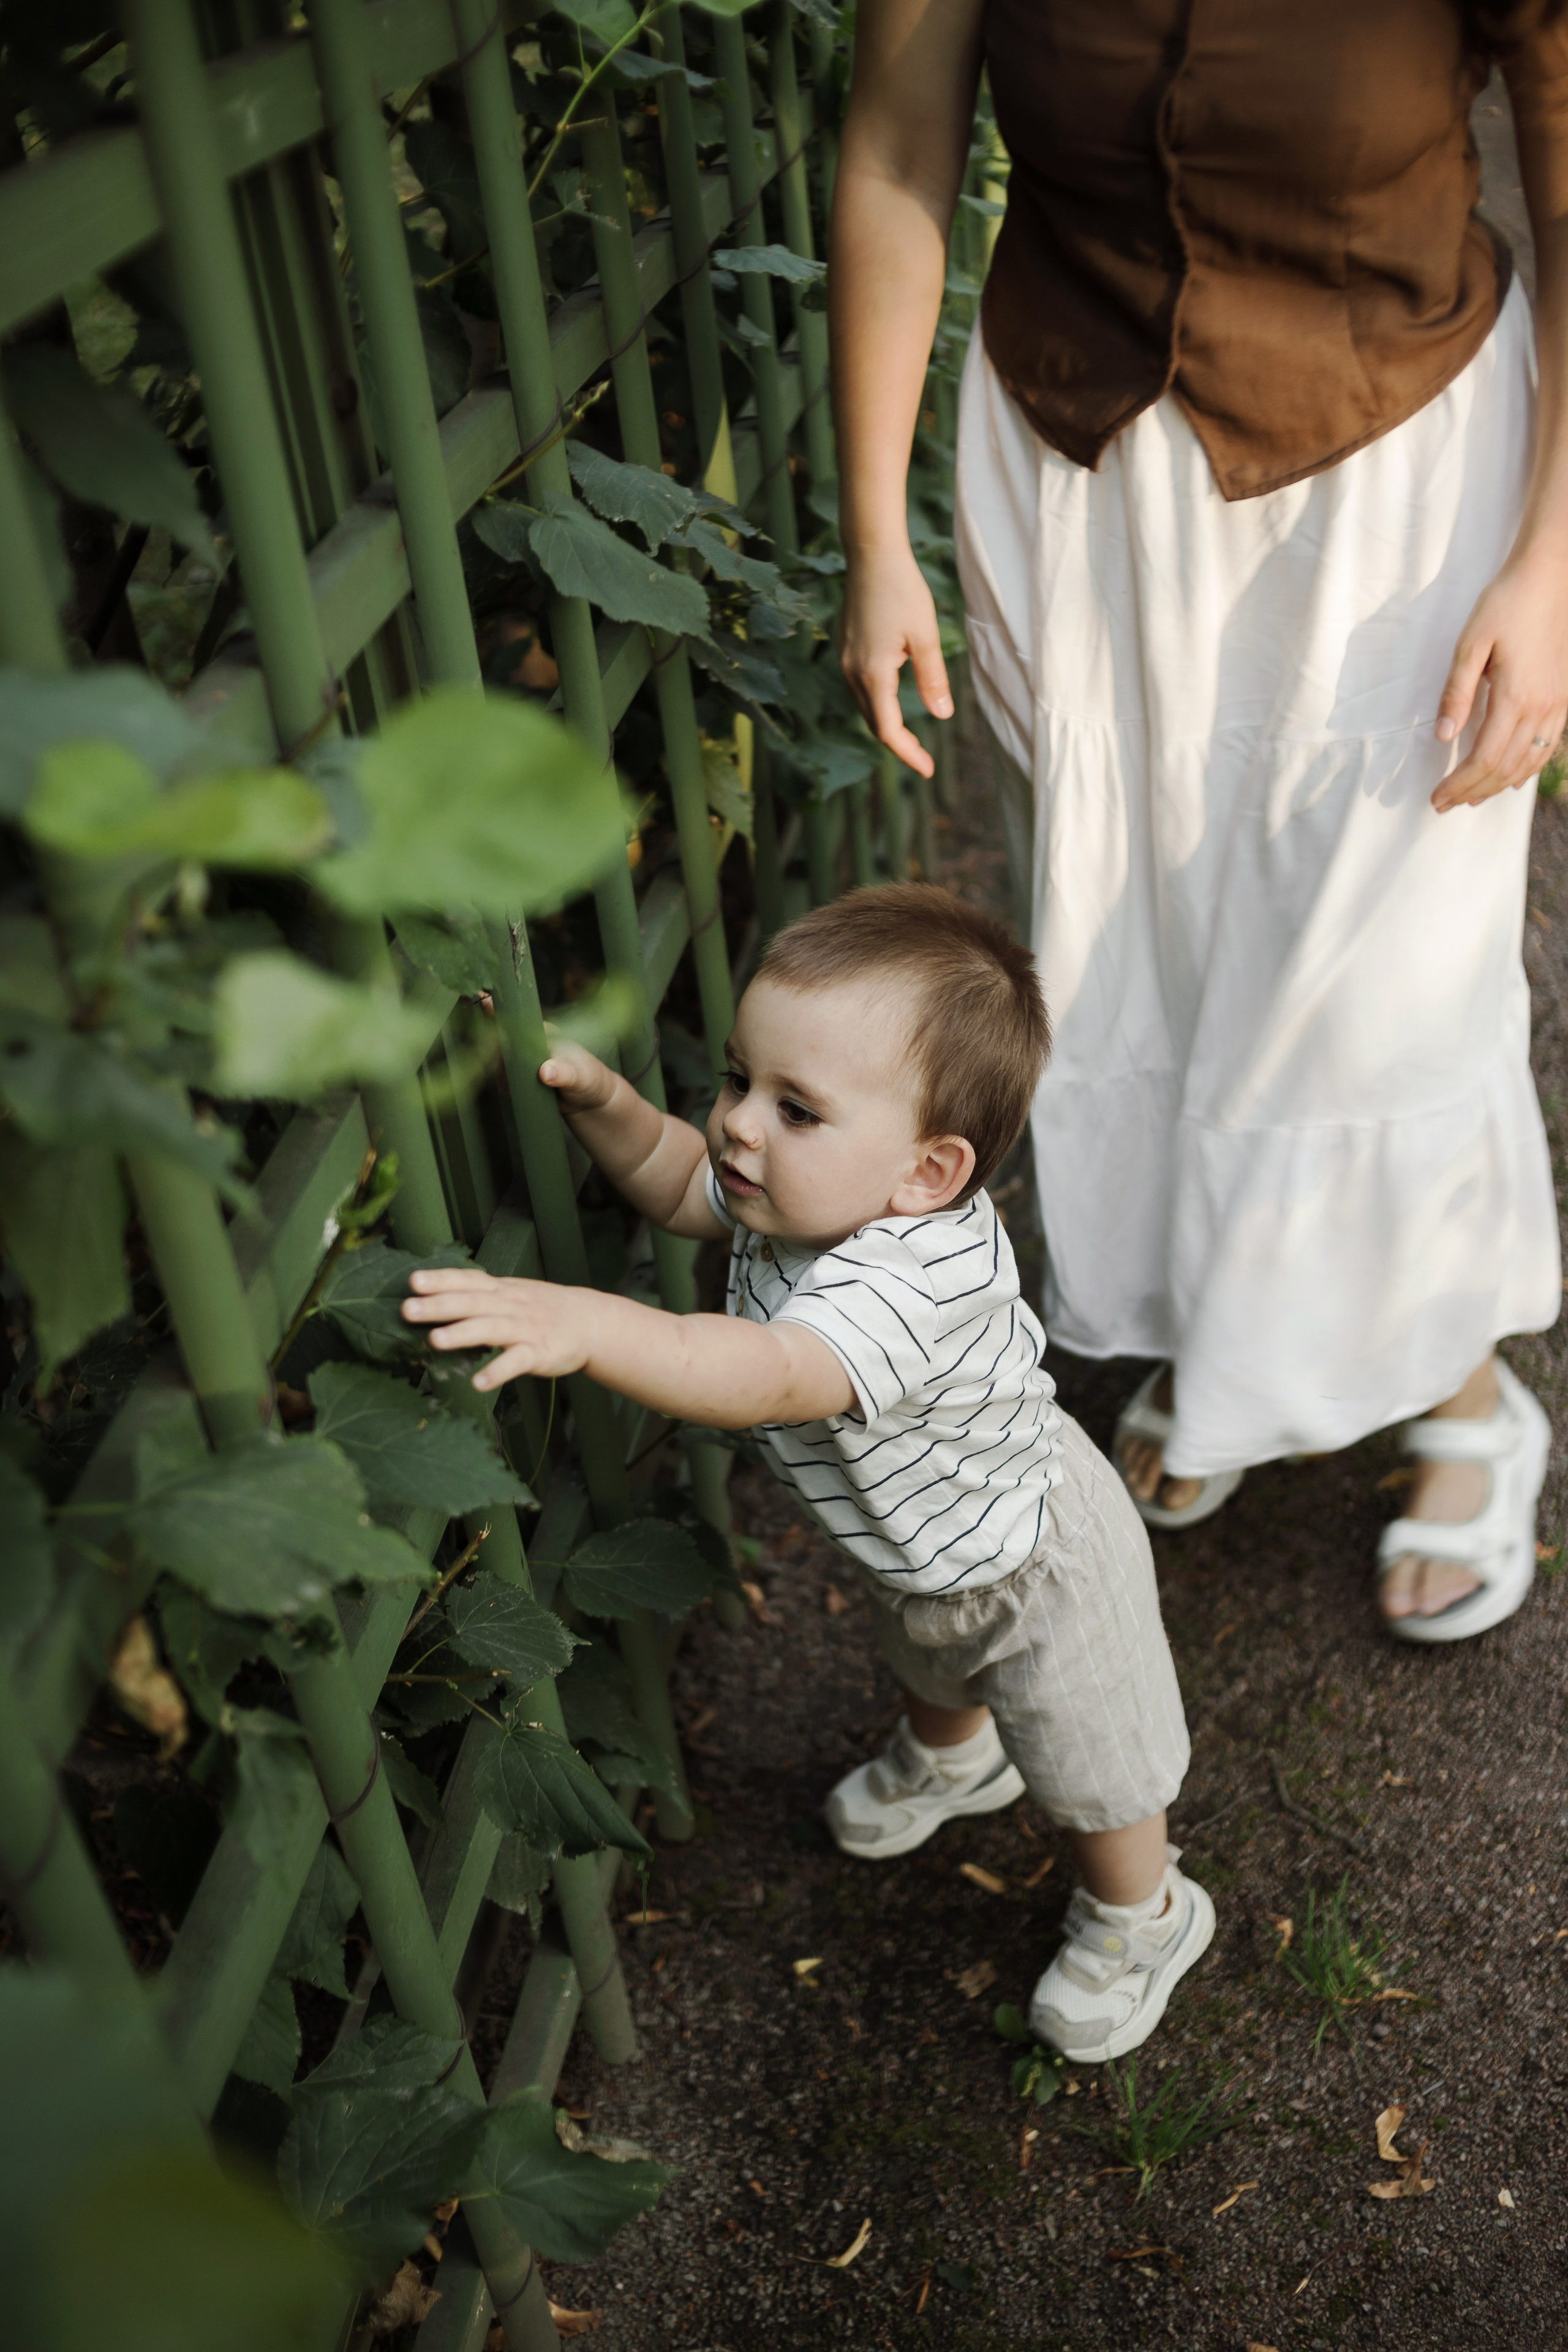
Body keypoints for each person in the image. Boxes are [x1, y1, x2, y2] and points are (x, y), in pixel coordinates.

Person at [831, 0, 1567, 1643]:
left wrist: (1555, 556)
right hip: (1082, 470)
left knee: (1376, 969)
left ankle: (1463, 1393)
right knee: (1140, 944)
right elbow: (894, 141)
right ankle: (1230, 1328)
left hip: (1399, 463)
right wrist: (874, 532)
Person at [402, 885, 1210, 2062]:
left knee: (1096, 1770)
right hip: (920, 1550)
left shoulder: (913, 1277)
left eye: (795, 1108)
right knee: (929, 1659)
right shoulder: (799, 1194)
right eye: (738, 1080)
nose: (737, 1124)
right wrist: (607, 1104)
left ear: (926, 1173)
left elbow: (768, 1372)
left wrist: (584, 1321)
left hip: (1040, 1563)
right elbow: (676, 1175)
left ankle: (1144, 1912)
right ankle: (955, 1760)